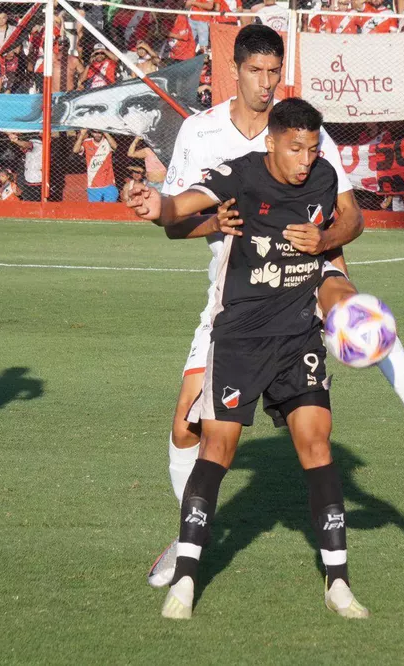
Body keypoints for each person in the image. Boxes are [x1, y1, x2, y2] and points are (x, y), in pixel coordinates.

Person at [126, 25, 404, 592]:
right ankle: (186, 536)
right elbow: (175, 222)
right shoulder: (201, 133)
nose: (266, 82)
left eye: (274, 72)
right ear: (234, 70)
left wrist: (325, 241)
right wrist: (207, 219)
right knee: (185, 428)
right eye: (255, 71)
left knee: (351, 311)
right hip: (238, 294)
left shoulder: (303, 132)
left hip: (308, 270)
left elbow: (350, 217)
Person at [129, 98, 370, 621]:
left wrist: (329, 255)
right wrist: (157, 205)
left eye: (312, 149)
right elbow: (180, 208)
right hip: (240, 336)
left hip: (299, 336)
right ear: (271, 142)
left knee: (317, 446)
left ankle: (339, 583)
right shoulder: (239, 173)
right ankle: (186, 577)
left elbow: (346, 232)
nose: (305, 159)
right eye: (295, 148)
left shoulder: (325, 178)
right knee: (216, 446)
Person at [73, 129, 118, 202]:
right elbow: (75, 150)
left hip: (109, 183)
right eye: (95, 132)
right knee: (94, 208)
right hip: (93, 185)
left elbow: (115, 147)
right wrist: (82, 135)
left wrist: (106, 132)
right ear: (91, 133)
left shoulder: (107, 142)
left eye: (99, 132)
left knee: (110, 207)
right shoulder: (87, 142)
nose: (97, 134)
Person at [7, 132, 43, 201]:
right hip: (30, 180)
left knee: (33, 201)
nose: (21, 149)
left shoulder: (36, 144)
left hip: (36, 181)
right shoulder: (38, 146)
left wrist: (16, 141)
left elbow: (27, 145)